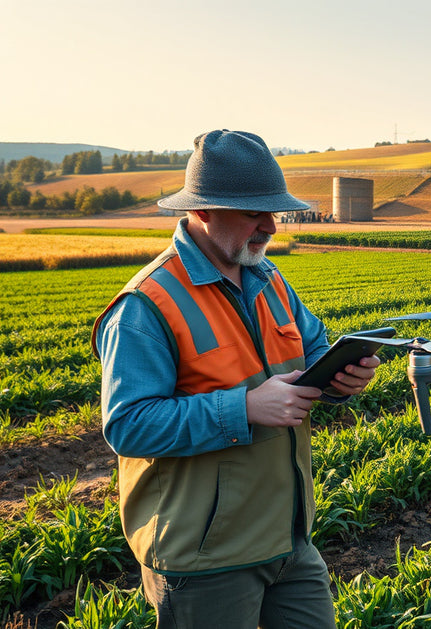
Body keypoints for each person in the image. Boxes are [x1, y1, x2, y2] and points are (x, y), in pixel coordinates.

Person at [93, 130, 381, 628]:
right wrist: (244, 407)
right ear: (203, 211)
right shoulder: (145, 306)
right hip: (206, 556)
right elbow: (128, 427)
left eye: (274, 211)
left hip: (288, 538)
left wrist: (341, 377)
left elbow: (313, 349)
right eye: (254, 212)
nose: (270, 225)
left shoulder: (267, 278)